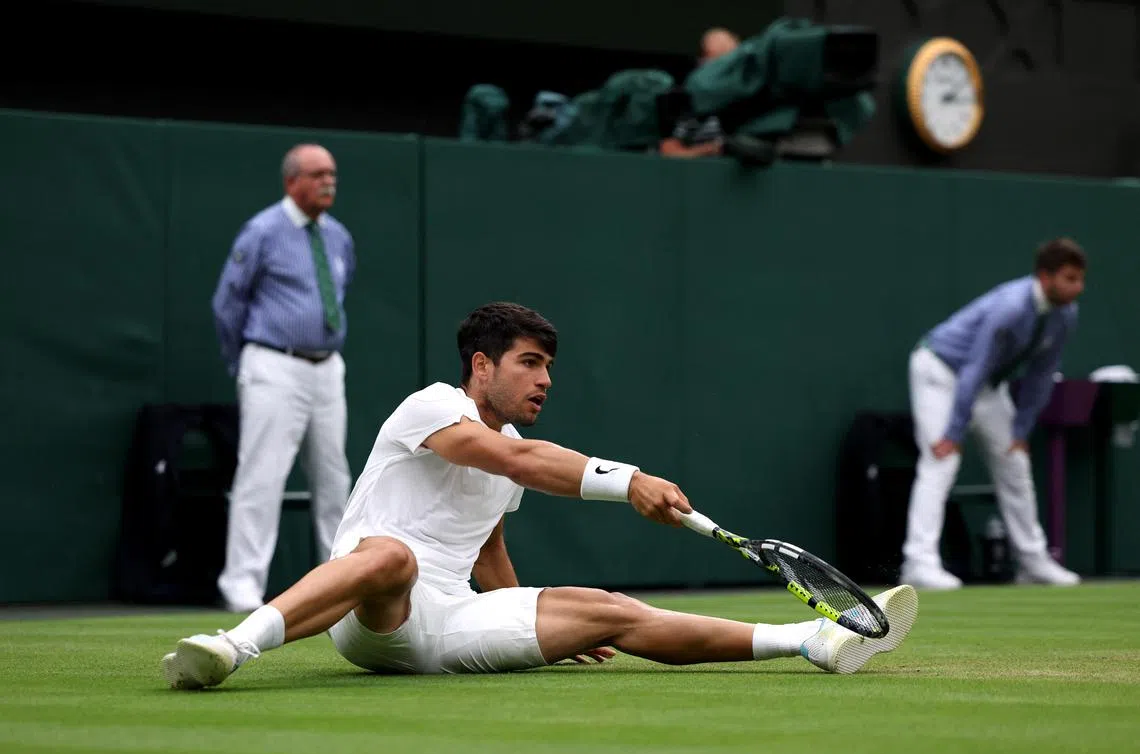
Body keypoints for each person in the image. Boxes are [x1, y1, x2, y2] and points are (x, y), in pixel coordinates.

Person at [163, 302, 918, 688]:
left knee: (610, 611)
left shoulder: (509, 451)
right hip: (372, 617)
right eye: (529, 363)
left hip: (449, 624)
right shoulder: (432, 408)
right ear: (481, 367)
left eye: (549, 367)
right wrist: (628, 481)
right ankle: (232, 648)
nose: (544, 380)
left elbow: (486, 547)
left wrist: (531, 620)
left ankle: (811, 640)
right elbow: (517, 461)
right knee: (392, 557)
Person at [210, 143, 356, 613]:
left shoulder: (338, 236)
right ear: (292, 181)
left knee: (335, 478)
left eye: (332, 174)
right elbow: (228, 304)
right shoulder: (262, 231)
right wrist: (244, 364)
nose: (328, 182)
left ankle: (341, 581)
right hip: (274, 363)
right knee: (262, 474)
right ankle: (242, 586)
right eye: (318, 174)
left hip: (327, 368)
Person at [900, 238, 1087, 590]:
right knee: (941, 460)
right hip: (940, 370)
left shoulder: (1065, 315)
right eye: (1070, 278)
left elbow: (1042, 374)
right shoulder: (1011, 308)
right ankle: (918, 563)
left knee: (1014, 461)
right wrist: (954, 432)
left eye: (1080, 279)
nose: (1078, 287)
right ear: (1045, 277)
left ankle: (1032, 562)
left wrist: (1021, 431)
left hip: (984, 383)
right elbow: (974, 366)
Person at [658, 27, 739, 158]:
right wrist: (710, 149)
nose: (721, 64)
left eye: (728, 57)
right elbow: (668, 150)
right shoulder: (691, 103)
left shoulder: (755, 101)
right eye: (712, 57)